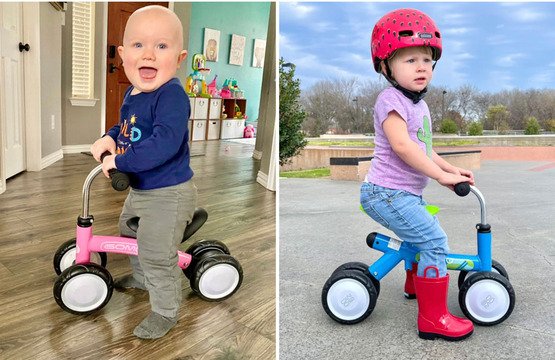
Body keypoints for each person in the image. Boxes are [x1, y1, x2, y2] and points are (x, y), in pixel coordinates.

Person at [360, 8, 475, 341]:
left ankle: (414, 284)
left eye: (427, 59)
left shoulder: (419, 106)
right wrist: (441, 179)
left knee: (422, 234)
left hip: (402, 194)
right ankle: (433, 318)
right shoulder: (390, 99)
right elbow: (403, 147)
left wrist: (451, 169)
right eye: (410, 60)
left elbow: (423, 148)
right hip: (384, 192)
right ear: (386, 66)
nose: (421, 66)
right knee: (435, 241)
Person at [91, 5, 196, 339]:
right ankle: (140, 277)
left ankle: (165, 311)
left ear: (178, 58)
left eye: (161, 46)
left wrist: (119, 162)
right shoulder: (132, 92)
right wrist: (109, 137)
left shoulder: (172, 97)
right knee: (128, 231)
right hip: (141, 188)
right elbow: (127, 128)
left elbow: (163, 143)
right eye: (138, 45)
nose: (149, 54)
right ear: (122, 54)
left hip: (168, 193)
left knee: (155, 252)